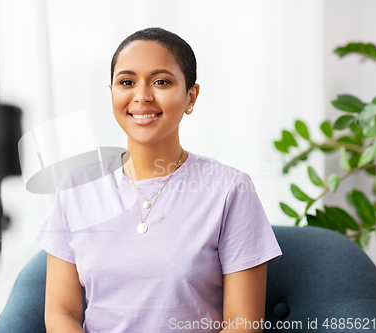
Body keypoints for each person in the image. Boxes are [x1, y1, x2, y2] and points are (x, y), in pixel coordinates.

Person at [36, 27, 282, 333]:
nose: (142, 96)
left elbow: (243, 324)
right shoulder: (76, 189)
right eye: (127, 82)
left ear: (191, 96)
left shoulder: (230, 190)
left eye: (161, 82)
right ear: (112, 92)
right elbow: (61, 313)